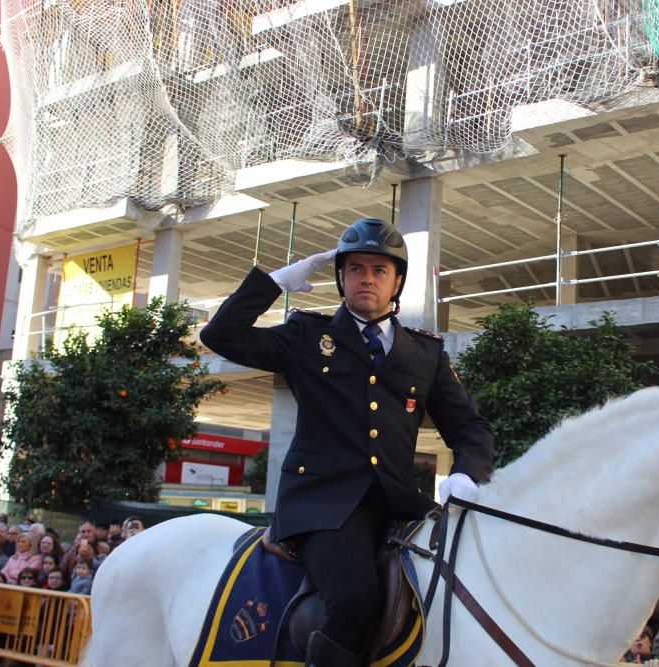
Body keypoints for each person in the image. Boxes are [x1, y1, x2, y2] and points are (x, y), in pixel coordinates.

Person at [200, 217, 495, 666]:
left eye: (380, 270)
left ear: (397, 281)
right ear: (340, 278)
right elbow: (219, 335)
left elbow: (471, 428)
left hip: (399, 503)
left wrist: (466, 475)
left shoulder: (426, 353)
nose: (367, 278)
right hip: (323, 504)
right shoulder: (307, 336)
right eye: (356, 268)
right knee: (354, 598)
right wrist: (277, 282)